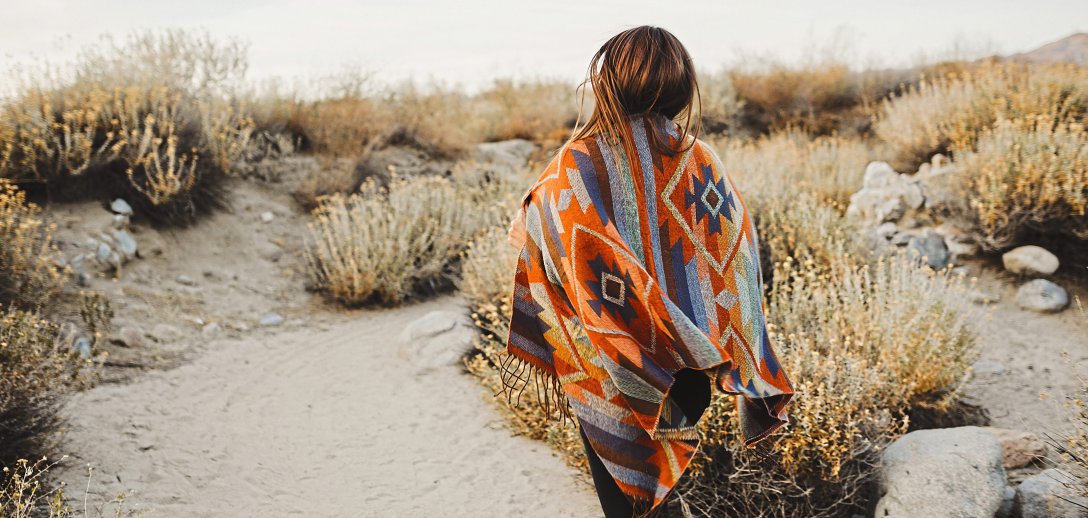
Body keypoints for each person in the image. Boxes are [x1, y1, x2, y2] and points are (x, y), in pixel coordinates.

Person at [502, 25, 795, 517]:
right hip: (689, 369)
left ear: (608, 83)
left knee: (634, 506)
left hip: (612, 366)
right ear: (682, 87)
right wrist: (716, 342)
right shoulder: (701, 158)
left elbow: (539, 236)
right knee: (657, 501)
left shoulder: (577, 162)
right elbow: (737, 263)